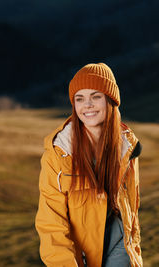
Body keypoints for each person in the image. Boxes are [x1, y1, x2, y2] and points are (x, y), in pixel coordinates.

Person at [35, 63, 143, 267]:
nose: (87, 105)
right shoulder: (58, 154)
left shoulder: (127, 148)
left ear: (110, 100)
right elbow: (51, 225)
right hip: (79, 257)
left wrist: (133, 251)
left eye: (96, 96)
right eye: (80, 98)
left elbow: (132, 209)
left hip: (120, 248)